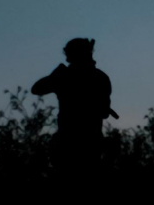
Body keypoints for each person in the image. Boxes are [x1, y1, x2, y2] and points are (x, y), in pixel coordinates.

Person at [31, 38, 114, 179]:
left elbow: (37, 89)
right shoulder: (101, 77)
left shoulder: (65, 76)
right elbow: (105, 112)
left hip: (69, 144)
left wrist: (56, 76)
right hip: (90, 144)